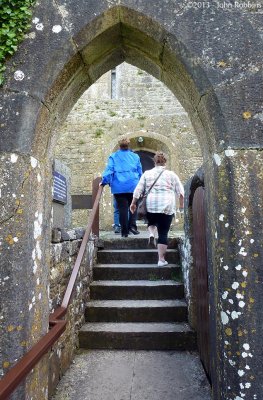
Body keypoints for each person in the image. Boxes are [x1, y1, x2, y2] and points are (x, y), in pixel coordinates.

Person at [130, 151, 184, 266]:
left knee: (151, 221)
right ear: (165, 162)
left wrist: (133, 203)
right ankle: (161, 260)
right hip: (167, 205)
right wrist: (181, 206)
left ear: (154, 162)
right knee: (163, 233)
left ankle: (151, 233)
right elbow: (181, 192)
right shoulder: (171, 174)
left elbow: (138, 190)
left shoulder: (147, 174)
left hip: (151, 204)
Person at [101, 137, 142, 237]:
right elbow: (140, 172)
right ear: (128, 145)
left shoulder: (113, 156)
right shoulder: (135, 156)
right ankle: (132, 226)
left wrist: (104, 181)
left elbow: (109, 170)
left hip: (118, 187)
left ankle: (124, 232)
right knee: (134, 206)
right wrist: (142, 185)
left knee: (122, 209)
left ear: (119, 146)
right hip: (133, 185)